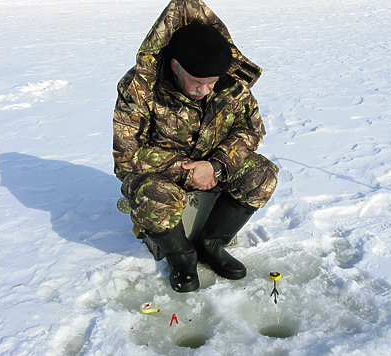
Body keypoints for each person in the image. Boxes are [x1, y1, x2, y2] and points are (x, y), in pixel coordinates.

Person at [113, 0, 278, 293]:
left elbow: (251, 129)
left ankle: (212, 243)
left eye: (211, 83)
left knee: (263, 175)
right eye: (196, 82)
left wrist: (215, 165)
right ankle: (181, 255)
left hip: (215, 167)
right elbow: (128, 155)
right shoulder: (139, 88)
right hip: (162, 175)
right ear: (176, 66)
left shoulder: (232, 84)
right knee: (154, 197)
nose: (204, 91)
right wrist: (189, 173)